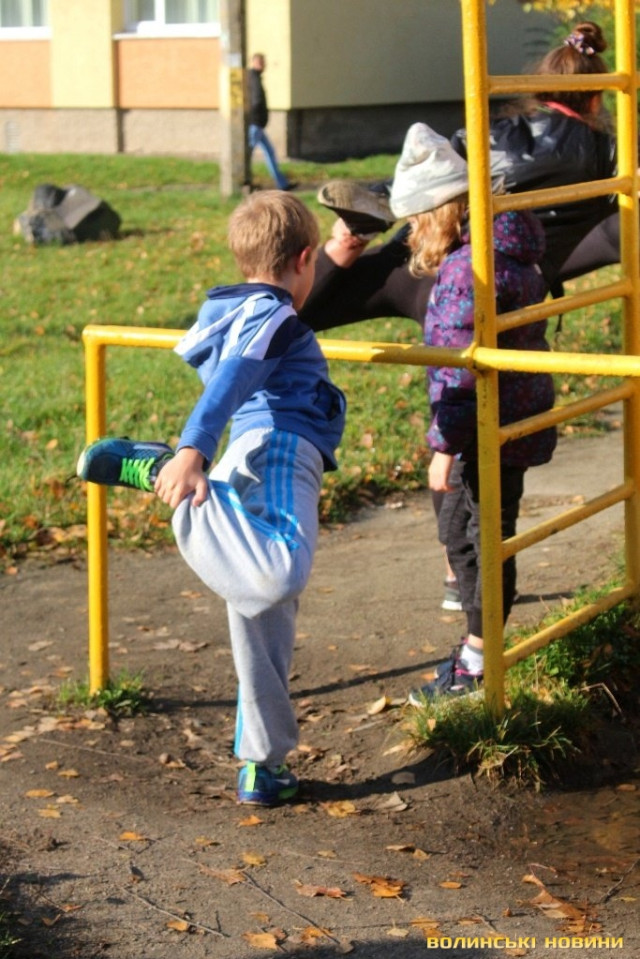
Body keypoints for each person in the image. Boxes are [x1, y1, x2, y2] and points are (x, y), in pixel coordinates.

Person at [76, 190, 346, 805]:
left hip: (252, 451)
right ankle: (160, 473)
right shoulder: (271, 314)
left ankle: (262, 763)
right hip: (278, 450)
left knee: (260, 613)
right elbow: (235, 374)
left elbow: (243, 358)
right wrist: (190, 451)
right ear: (305, 258)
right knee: (280, 572)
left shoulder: (241, 306)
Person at [381, 122, 557, 702]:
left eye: (416, 221)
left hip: (484, 425)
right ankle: (480, 650)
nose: (412, 233)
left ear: (440, 215)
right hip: (513, 415)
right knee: (480, 534)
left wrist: (444, 448)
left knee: (473, 538)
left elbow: (460, 369)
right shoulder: (503, 247)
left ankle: (479, 664)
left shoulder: (467, 271)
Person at [299, 20, 617, 333]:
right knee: (469, 363)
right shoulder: (606, 152)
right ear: (595, 99)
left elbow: (444, 168)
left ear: (539, 90)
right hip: (486, 285)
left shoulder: (491, 133)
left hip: (418, 258)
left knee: (305, 311)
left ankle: (370, 215)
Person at [248, 53, 296, 191]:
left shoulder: (256, 77)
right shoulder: (253, 78)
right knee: (247, 155)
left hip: (258, 125)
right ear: (253, 63)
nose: (263, 65)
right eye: (260, 62)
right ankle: (244, 181)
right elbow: (256, 100)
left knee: (269, 152)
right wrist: (256, 116)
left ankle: (282, 184)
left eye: (263, 62)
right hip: (255, 123)